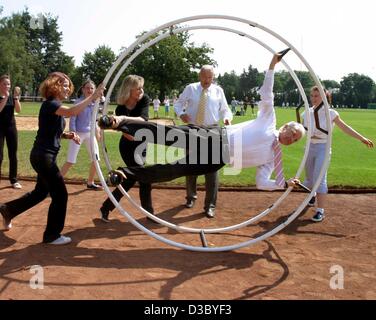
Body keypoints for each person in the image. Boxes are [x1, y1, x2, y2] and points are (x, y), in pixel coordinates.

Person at [99, 53, 304, 196]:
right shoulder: (269, 121)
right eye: (292, 133)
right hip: (214, 136)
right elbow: (267, 94)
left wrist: (283, 184)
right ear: (285, 126)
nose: (291, 139)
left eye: (295, 140)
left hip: (217, 159)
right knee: (164, 134)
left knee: (174, 170)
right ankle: (119, 123)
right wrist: (272, 65)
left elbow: (262, 183)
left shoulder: (272, 158)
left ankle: (124, 173)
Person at [0, 72, 104, 245]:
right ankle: (52, 235)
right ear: (53, 86)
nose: (67, 88)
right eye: (63, 85)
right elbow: (72, 112)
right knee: (61, 195)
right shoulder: (51, 104)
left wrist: (67, 135)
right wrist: (93, 96)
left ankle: (8, 210)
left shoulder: (53, 105)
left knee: (40, 193)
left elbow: (49, 131)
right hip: (44, 157)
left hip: (44, 156)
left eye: (67, 85)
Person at [302, 87, 374, 222]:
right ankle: (312, 196)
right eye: (312, 95)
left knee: (320, 179)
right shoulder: (306, 113)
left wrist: (361, 138)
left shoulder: (331, 113)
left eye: (317, 96)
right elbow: (301, 131)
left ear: (324, 97)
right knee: (310, 179)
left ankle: (320, 210)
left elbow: (345, 127)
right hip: (309, 147)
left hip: (323, 147)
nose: (313, 98)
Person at [174, 65, 232, 218]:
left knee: (212, 170)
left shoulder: (218, 90)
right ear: (199, 75)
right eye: (204, 77)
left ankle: (210, 205)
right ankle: (191, 197)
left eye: (210, 77)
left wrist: (227, 118)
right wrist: (181, 113)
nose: (207, 80)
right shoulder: (190, 88)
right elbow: (178, 103)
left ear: (213, 77)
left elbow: (225, 109)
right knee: (190, 166)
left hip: (213, 130)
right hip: (192, 130)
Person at [99, 75, 154, 223]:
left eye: (142, 87)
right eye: (138, 88)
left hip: (141, 145)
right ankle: (150, 214)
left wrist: (123, 119)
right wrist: (125, 125)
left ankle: (106, 207)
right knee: (143, 177)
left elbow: (144, 120)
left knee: (131, 179)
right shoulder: (121, 107)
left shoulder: (144, 100)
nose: (141, 91)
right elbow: (125, 133)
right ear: (129, 90)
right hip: (128, 146)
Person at [60, 80, 102, 190]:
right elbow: (73, 118)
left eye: (92, 88)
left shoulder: (95, 103)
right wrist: (73, 134)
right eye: (87, 88)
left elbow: (95, 119)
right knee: (70, 160)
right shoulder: (78, 102)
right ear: (83, 89)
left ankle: (90, 182)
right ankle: (53, 185)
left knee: (96, 159)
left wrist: (97, 131)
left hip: (90, 134)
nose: (90, 90)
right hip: (78, 133)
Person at [0, 75, 22, 189]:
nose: (7, 86)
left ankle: (14, 180)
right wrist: (5, 98)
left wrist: (15, 98)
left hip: (11, 127)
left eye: (8, 84)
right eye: (4, 84)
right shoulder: (2, 96)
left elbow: (18, 110)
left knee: (13, 154)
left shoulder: (12, 96)